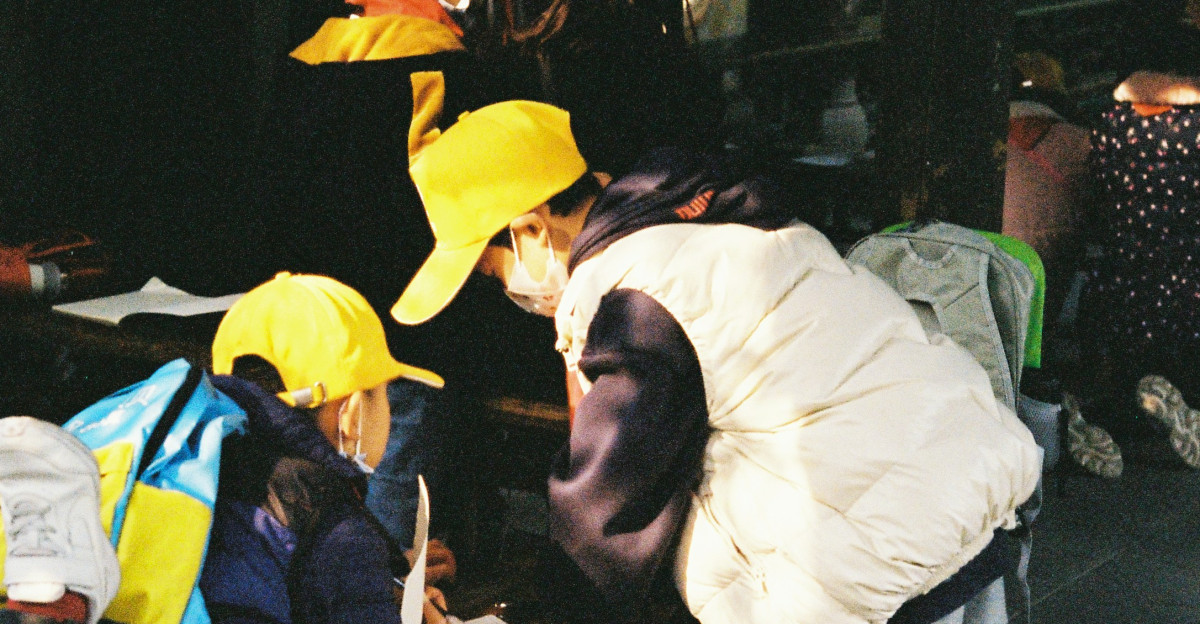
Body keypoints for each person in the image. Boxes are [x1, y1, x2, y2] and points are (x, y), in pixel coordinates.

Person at [389, 100, 1042, 624]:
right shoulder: (719, 225)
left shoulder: (632, 293)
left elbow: (607, 506)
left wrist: (533, 612)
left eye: (488, 270)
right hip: (966, 509)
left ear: (529, 230)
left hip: (872, 567)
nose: (502, 290)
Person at [203, 272, 455, 623]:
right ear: (351, 415)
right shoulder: (342, 534)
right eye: (383, 395)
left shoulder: (212, 472)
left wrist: (388, 589)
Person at [1073, 0, 1200, 471]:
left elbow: (1097, 189)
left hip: (1123, 277)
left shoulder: (1110, 125)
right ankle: (1181, 402)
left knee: (1131, 346)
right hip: (1188, 282)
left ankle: (1130, 409)